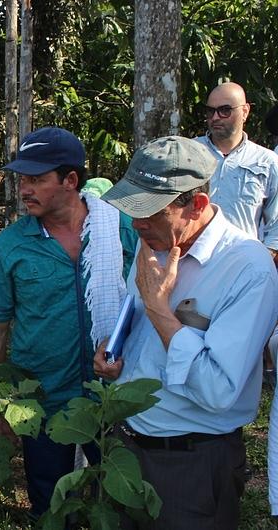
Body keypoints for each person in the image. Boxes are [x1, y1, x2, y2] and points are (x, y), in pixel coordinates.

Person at [97, 135, 278, 529]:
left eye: (152, 211)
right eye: (133, 209)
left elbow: (217, 390)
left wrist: (162, 311)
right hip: (127, 444)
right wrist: (114, 352)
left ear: (196, 205)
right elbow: (138, 322)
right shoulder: (154, 244)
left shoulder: (247, 270)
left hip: (191, 464)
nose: (137, 223)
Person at [0, 127, 137, 519]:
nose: (24, 190)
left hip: (114, 394)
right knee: (49, 503)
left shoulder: (119, 229)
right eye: (21, 180)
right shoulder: (11, 244)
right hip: (42, 397)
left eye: (36, 179)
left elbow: (144, 298)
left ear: (70, 180)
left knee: (118, 499)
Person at [195, 82, 278, 262]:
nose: (215, 117)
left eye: (225, 110)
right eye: (211, 111)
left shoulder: (267, 161)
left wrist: (264, 260)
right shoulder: (189, 152)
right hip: (193, 264)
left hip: (244, 265)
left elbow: (276, 224)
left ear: (245, 111)